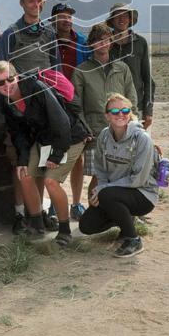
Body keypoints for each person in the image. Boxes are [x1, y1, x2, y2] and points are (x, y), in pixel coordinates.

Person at [0, 60, 88, 245]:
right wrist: (23, 160)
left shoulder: (37, 88)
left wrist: (56, 155)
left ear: (16, 76)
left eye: (10, 79)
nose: (7, 85)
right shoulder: (6, 101)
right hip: (44, 139)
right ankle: (37, 225)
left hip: (70, 137)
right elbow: (18, 133)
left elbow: (62, 122)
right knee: (24, 174)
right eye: (1, 83)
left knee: (51, 181)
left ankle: (65, 231)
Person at [78, 93, 159, 258]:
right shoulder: (104, 136)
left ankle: (133, 239)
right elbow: (100, 169)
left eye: (125, 110)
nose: (120, 114)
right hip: (115, 193)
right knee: (86, 226)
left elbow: (139, 179)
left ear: (130, 113)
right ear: (107, 115)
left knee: (107, 195)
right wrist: (100, 187)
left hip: (143, 194)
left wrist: (104, 189)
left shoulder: (142, 139)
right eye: (114, 111)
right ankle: (126, 221)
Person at [71, 24, 137, 219]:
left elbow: (130, 98)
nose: (104, 44)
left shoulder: (122, 68)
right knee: (98, 175)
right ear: (91, 44)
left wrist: (133, 124)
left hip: (122, 131)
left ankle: (120, 212)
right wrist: (85, 128)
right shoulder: (81, 71)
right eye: (99, 40)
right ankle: (95, 212)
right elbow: (76, 105)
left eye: (107, 39)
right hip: (96, 131)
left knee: (122, 173)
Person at [106, 3, 154, 129]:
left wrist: (148, 111)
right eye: (117, 16)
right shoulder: (105, 44)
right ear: (111, 20)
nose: (122, 19)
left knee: (137, 146)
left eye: (125, 16)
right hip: (112, 109)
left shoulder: (140, 43)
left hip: (135, 108)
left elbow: (148, 79)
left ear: (130, 19)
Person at [0, 0, 58, 74]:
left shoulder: (50, 33)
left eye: (39, 1)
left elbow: (57, 68)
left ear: (44, 3)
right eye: (31, 1)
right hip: (22, 87)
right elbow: (1, 71)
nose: (36, 5)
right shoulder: (10, 34)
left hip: (48, 86)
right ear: (22, 3)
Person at [51, 2, 90, 81]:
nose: (67, 20)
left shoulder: (84, 43)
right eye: (62, 17)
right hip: (54, 91)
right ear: (53, 21)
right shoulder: (48, 42)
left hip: (78, 91)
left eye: (69, 17)